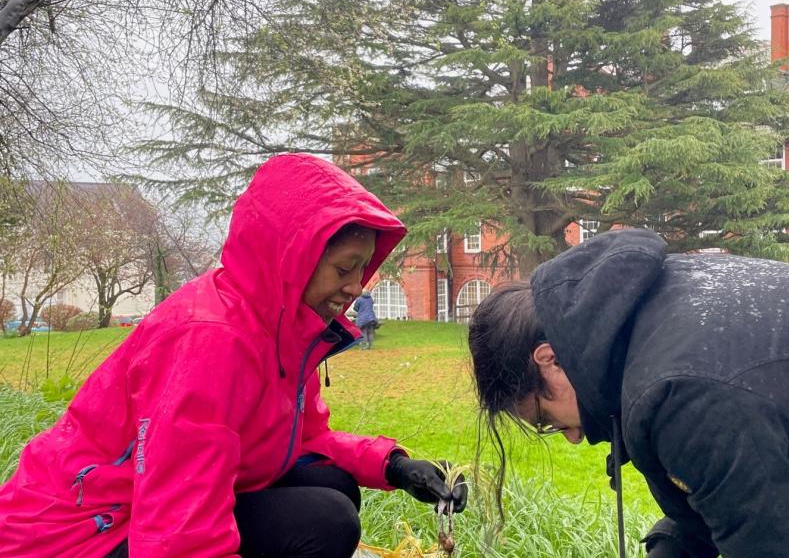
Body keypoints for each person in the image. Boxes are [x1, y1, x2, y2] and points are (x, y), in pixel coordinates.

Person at [0, 154, 466, 558]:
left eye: (362, 269)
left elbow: (299, 441)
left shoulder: (281, 327)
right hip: (77, 533)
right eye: (345, 268)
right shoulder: (210, 339)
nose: (355, 287)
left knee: (332, 486)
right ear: (292, 256)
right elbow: (176, 524)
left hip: (137, 509)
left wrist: (393, 465)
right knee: (326, 518)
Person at [468, 227, 789, 558]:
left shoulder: (681, 391)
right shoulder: (641, 314)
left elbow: (781, 542)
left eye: (546, 419)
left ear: (549, 360)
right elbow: (728, 488)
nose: (572, 436)